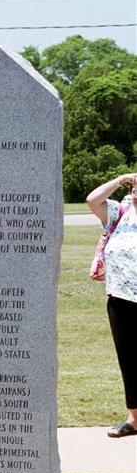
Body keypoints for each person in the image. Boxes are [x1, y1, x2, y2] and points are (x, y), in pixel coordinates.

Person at [86, 173, 137, 438]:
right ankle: (134, 419)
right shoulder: (120, 211)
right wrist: (120, 179)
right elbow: (92, 200)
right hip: (120, 297)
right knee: (129, 359)